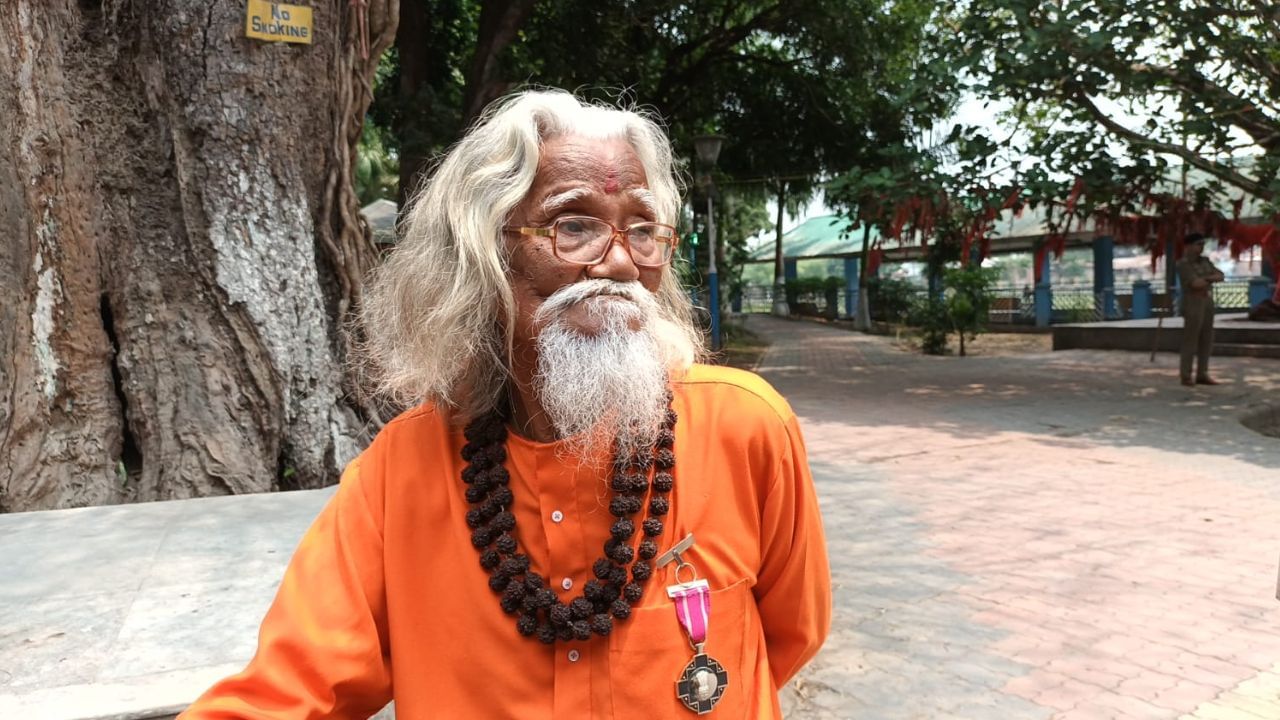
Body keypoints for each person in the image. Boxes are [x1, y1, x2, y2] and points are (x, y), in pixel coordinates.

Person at [180, 90, 830, 719]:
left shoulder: (746, 429)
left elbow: (788, 637)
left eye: (642, 229)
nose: (623, 263)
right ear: (483, 252)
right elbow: (290, 692)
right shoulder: (399, 473)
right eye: (575, 225)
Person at [1175, 232, 1225, 386]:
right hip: (1192, 301)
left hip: (1207, 300)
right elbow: (1195, 284)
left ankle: (1202, 373)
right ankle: (1186, 375)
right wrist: (1210, 278)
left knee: (1206, 338)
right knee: (1191, 339)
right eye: (1198, 244)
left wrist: (1207, 279)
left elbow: (1221, 275)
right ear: (1189, 246)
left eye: (1202, 244)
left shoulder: (1205, 261)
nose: (1201, 248)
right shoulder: (1183, 264)